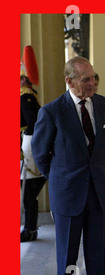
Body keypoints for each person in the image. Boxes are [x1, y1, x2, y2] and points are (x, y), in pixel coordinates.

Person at [32, 56, 105, 275]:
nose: (92, 83)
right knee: (69, 259)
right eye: (85, 79)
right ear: (69, 81)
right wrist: (61, 179)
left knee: (97, 256)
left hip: (97, 193)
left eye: (93, 77)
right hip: (67, 197)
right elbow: (40, 155)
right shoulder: (52, 112)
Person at [20, 75, 46, 242]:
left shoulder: (26, 96)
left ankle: (30, 229)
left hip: (28, 146)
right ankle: (30, 228)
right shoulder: (27, 95)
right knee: (29, 193)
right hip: (27, 143)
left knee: (28, 192)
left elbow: (31, 122)